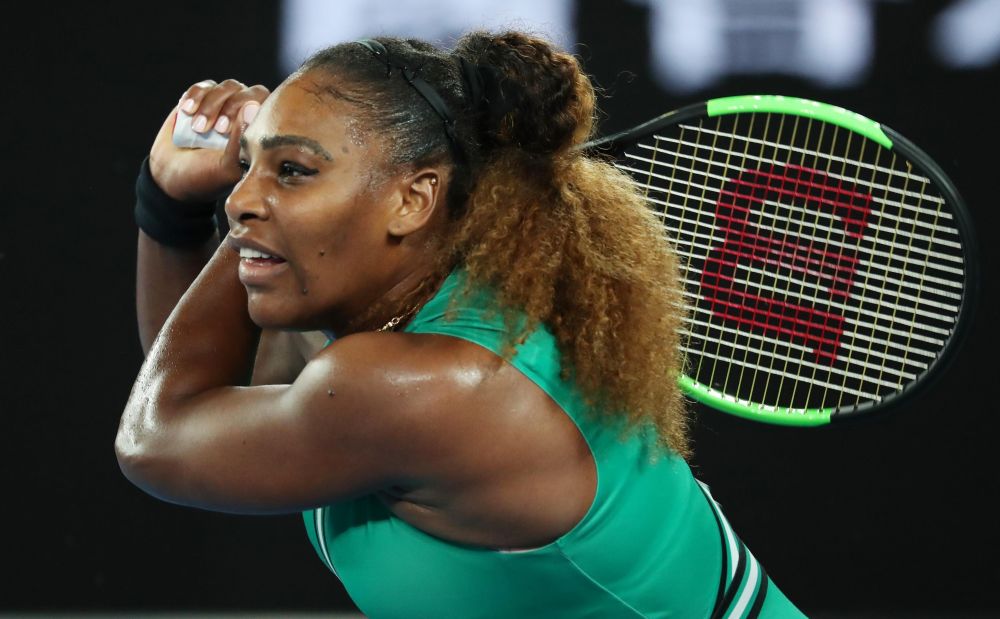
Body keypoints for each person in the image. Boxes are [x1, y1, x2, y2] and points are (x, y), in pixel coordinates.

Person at [116, 30, 805, 618]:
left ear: (414, 199)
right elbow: (212, 389)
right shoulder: (414, 311)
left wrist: (210, 213)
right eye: (247, 164)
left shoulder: (426, 384)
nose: (239, 196)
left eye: (292, 169)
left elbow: (160, 436)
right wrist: (176, 205)